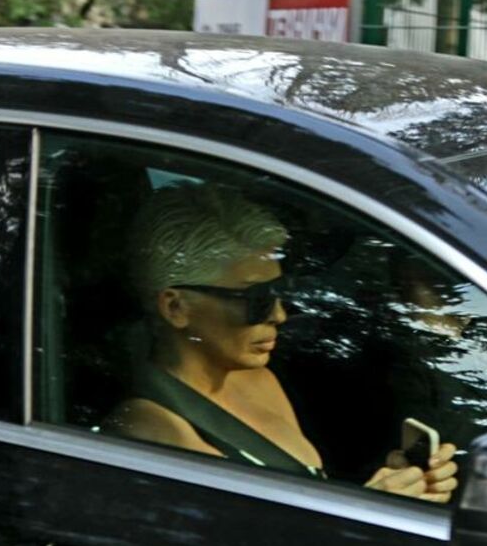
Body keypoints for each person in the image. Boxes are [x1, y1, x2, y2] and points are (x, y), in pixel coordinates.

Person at [103, 183, 459, 503]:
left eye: (280, 292)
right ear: (176, 308)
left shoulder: (258, 379)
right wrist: (370, 508)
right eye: (256, 299)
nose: (279, 314)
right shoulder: (153, 428)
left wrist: (401, 485)